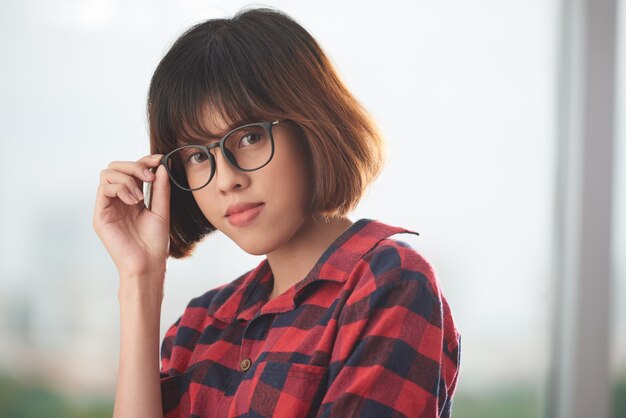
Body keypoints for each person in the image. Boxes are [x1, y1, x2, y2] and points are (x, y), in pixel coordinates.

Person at [93, 6, 461, 418]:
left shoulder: (388, 281)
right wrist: (140, 280)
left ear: (311, 125)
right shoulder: (198, 326)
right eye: (198, 155)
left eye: (249, 136)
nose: (225, 179)